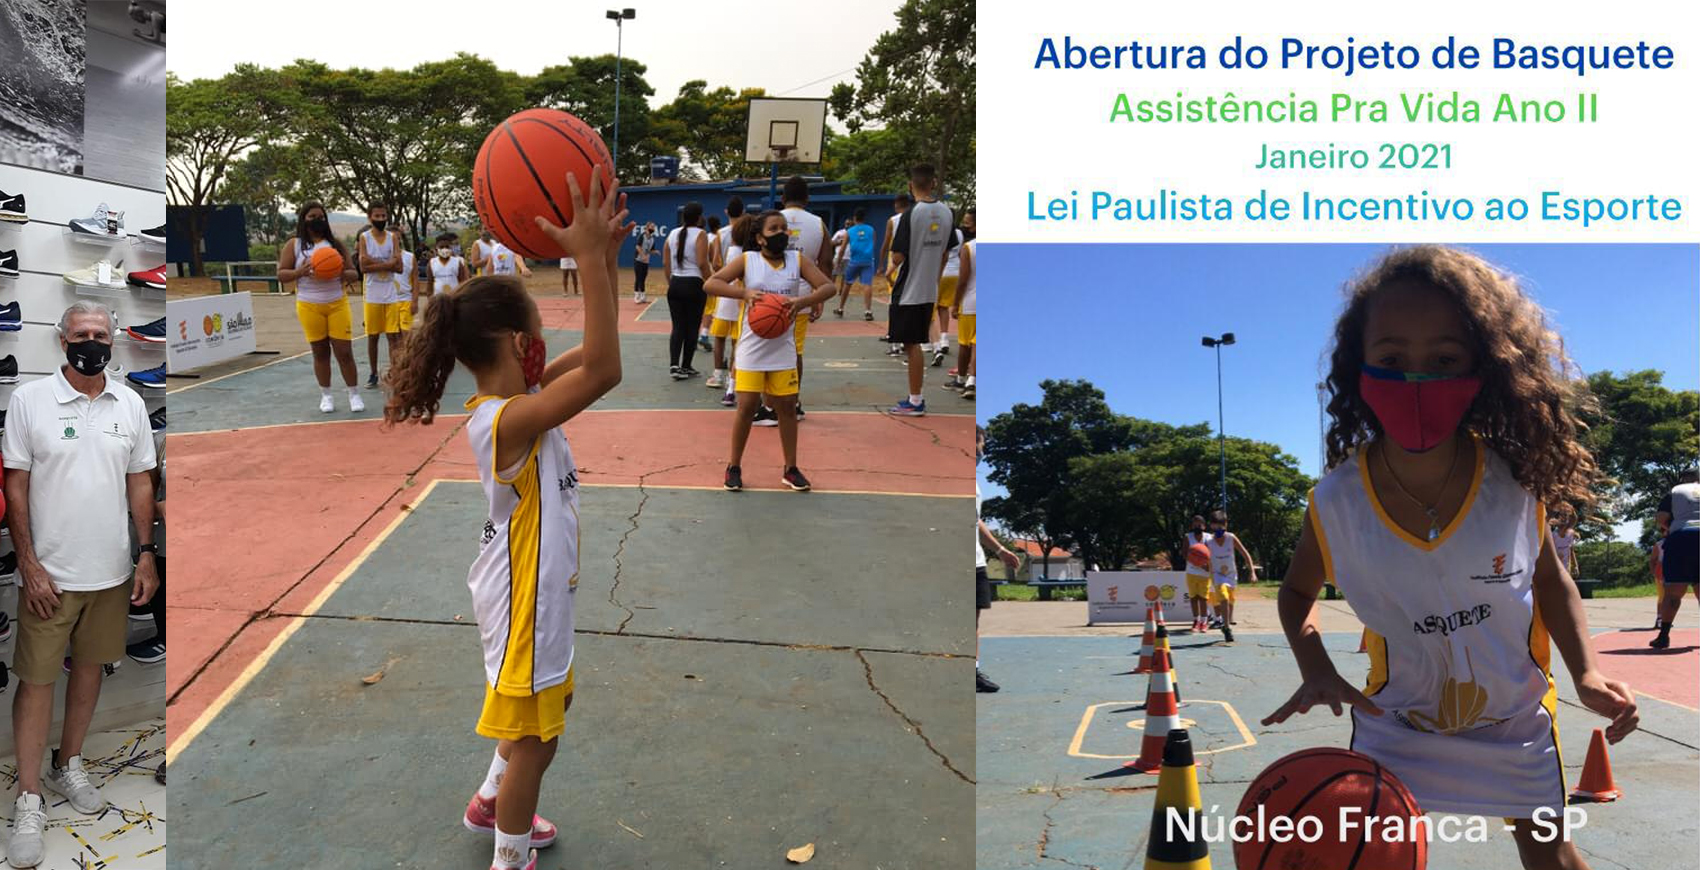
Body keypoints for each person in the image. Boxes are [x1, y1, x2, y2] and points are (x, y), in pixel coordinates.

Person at [1262, 246, 1636, 870]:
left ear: (1482, 369)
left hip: (1513, 716)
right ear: (1361, 368)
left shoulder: (1515, 485)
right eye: (1392, 358)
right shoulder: (1336, 502)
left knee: (1550, 851)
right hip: (1397, 720)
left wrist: (1586, 673)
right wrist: (1316, 667)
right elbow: (1296, 593)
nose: (1415, 378)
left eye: (1442, 359)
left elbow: (1552, 581)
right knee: (1369, 854)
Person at [385, 169, 628, 870]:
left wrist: (603, 264)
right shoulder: (506, 421)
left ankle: (490, 800)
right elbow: (606, 370)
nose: (548, 343)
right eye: (540, 331)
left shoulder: (524, 396)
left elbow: (595, 357)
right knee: (537, 740)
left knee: (544, 715)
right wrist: (584, 258)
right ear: (516, 341)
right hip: (524, 603)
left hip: (532, 597)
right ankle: (509, 856)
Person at [3, 301, 158, 869]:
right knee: (38, 682)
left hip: (112, 572)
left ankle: (68, 764)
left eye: (100, 333)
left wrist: (145, 556)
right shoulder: (29, 401)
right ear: (61, 339)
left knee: (90, 670)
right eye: (80, 333)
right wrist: (30, 561)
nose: (90, 341)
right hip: (52, 575)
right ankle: (28, 795)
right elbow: (15, 487)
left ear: (113, 341)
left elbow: (140, 482)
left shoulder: (131, 402)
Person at [704, 210, 836, 493]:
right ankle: (734, 466)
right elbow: (710, 283)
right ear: (759, 238)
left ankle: (790, 468)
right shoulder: (748, 261)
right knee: (747, 407)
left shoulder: (797, 261)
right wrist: (743, 294)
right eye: (774, 229)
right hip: (752, 348)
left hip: (783, 348)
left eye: (784, 229)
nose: (781, 233)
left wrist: (804, 301)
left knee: (786, 407)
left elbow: (828, 287)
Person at [278, 202, 363, 413]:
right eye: (312, 216)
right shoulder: (294, 245)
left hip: (336, 302)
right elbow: (281, 274)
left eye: (321, 216)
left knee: (344, 352)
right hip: (309, 304)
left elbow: (355, 274)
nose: (317, 220)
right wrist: (301, 272)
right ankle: (326, 395)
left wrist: (341, 272)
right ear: (303, 220)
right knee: (320, 352)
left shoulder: (335, 245)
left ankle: (354, 393)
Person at [886, 165, 954, 417]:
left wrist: (889, 270)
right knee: (914, 343)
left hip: (909, 290)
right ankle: (915, 398)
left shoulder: (910, 215)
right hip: (929, 289)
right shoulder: (947, 213)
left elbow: (899, 254)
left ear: (910, 184)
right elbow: (946, 252)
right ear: (934, 182)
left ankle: (915, 401)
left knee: (911, 345)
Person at [779, 177, 832, 422]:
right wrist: (818, 298)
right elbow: (826, 262)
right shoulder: (819, 225)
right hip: (801, 295)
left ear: (782, 197)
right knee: (795, 351)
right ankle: (794, 401)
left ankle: (767, 402)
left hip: (771, 294)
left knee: (767, 347)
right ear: (808, 198)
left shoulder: (772, 219)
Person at [977, 426, 1021, 692]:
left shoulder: (975, 481)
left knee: (974, 621)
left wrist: (999, 550)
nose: (982, 450)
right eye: (980, 443)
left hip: (977, 561)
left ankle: (973, 670)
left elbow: (976, 520)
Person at [357, 204, 405, 389]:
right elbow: (363, 267)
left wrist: (374, 262)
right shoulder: (365, 237)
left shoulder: (392, 237)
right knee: (373, 336)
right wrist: (387, 263)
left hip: (390, 294)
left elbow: (399, 266)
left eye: (383, 215)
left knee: (393, 336)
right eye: (377, 215)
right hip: (372, 295)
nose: (380, 218)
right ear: (370, 217)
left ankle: (395, 371)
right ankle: (373, 373)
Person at [1652, 469, 1700, 649]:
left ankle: (1664, 636)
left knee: (1673, 592)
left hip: (1681, 537)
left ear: (1683, 479)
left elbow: (1661, 518)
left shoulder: (1675, 492)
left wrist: (1671, 527)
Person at [707, 213, 753, 397]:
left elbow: (717, 265)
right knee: (737, 344)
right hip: (741, 302)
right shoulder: (752, 255)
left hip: (727, 299)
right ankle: (732, 384)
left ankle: (718, 374)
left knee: (719, 338)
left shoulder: (733, 250)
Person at [663, 203, 711, 380]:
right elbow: (702, 263)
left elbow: (666, 263)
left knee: (677, 327)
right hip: (694, 284)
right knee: (692, 326)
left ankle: (674, 365)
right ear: (699, 218)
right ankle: (686, 365)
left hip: (676, 283)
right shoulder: (701, 234)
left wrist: (671, 282)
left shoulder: (672, 233)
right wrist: (711, 281)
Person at [1205, 510, 1255, 642]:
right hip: (1217, 575)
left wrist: (1252, 572)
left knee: (1230, 601)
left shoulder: (1231, 538)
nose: (1218, 530)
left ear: (1225, 525)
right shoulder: (1209, 542)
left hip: (1231, 575)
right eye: (1216, 528)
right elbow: (1202, 558)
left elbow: (1245, 554)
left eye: (1221, 527)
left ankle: (1226, 622)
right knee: (1224, 598)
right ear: (1211, 526)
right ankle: (1226, 628)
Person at [880, 192, 912, 355]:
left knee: (894, 303)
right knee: (909, 303)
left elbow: (886, 244)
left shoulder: (893, 221)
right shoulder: (916, 217)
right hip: (913, 265)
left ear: (896, 205)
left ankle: (895, 341)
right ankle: (908, 339)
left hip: (896, 263)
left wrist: (880, 265)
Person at [929, 220, 964, 367]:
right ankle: (944, 338)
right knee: (944, 307)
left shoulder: (938, 232)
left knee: (929, 311)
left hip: (940, 272)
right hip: (955, 272)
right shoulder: (959, 233)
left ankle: (934, 343)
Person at [949, 234, 977, 399]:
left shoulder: (969, 247)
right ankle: (972, 380)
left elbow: (963, 279)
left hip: (971, 301)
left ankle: (961, 379)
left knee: (965, 344)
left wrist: (956, 303)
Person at [836, 209, 877, 321]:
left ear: (854, 218)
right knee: (867, 285)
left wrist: (838, 262)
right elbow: (873, 243)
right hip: (868, 260)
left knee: (847, 283)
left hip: (854, 260)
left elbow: (842, 249)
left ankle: (840, 308)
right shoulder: (871, 229)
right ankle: (868, 310)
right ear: (864, 218)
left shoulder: (849, 231)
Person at [1180, 516, 1213, 633]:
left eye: (1199, 525)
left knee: (1203, 598)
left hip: (1205, 573)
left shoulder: (1209, 537)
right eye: (1195, 525)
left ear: (1204, 526)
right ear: (1192, 526)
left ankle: (1204, 621)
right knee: (1193, 598)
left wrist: (1207, 565)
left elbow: (1212, 553)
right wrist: (1195, 561)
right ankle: (1196, 620)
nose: (1197, 527)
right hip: (1191, 571)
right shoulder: (1188, 537)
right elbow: (1184, 554)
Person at [430, 233, 471, 297]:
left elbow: (466, 279)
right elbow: (430, 283)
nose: (457, 247)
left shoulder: (460, 260)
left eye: (458, 245)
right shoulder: (433, 262)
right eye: (455, 244)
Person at [632, 222, 658, 303]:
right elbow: (637, 246)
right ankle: (636, 295)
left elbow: (650, 250)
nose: (653, 228)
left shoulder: (652, 239)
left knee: (643, 278)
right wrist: (642, 255)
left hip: (646, 261)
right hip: (638, 260)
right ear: (647, 227)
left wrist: (655, 252)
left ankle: (643, 296)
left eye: (654, 227)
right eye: (651, 227)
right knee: (638, 277)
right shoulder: (642, 236)